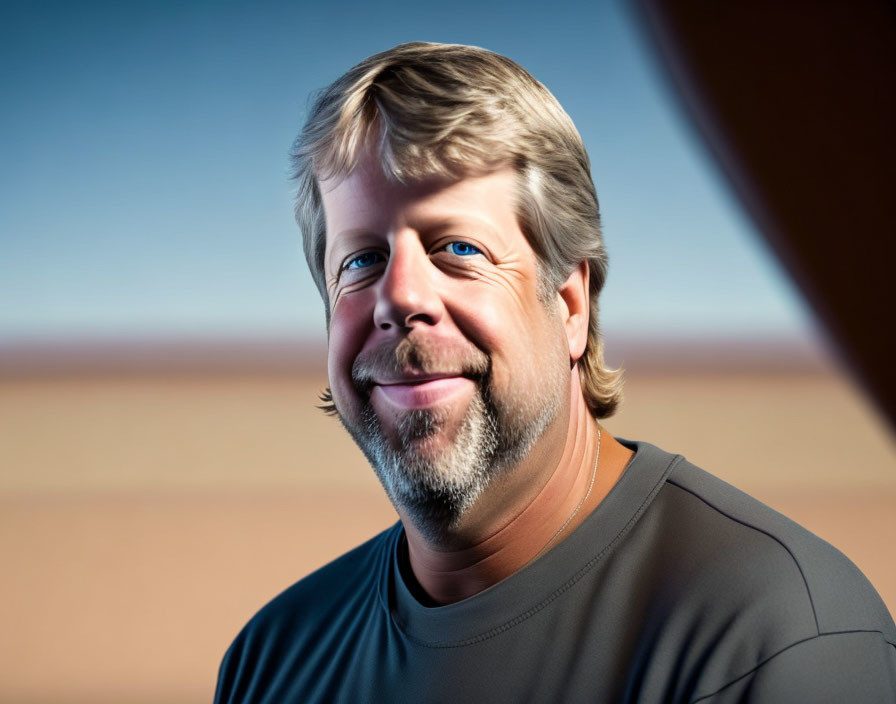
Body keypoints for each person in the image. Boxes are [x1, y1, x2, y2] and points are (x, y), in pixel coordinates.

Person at [215, 42, 896, 703]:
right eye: (361, 260)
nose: (400, 298)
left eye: (457, 248)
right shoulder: (274, 661)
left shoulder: (774, 641)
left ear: (570, 304)